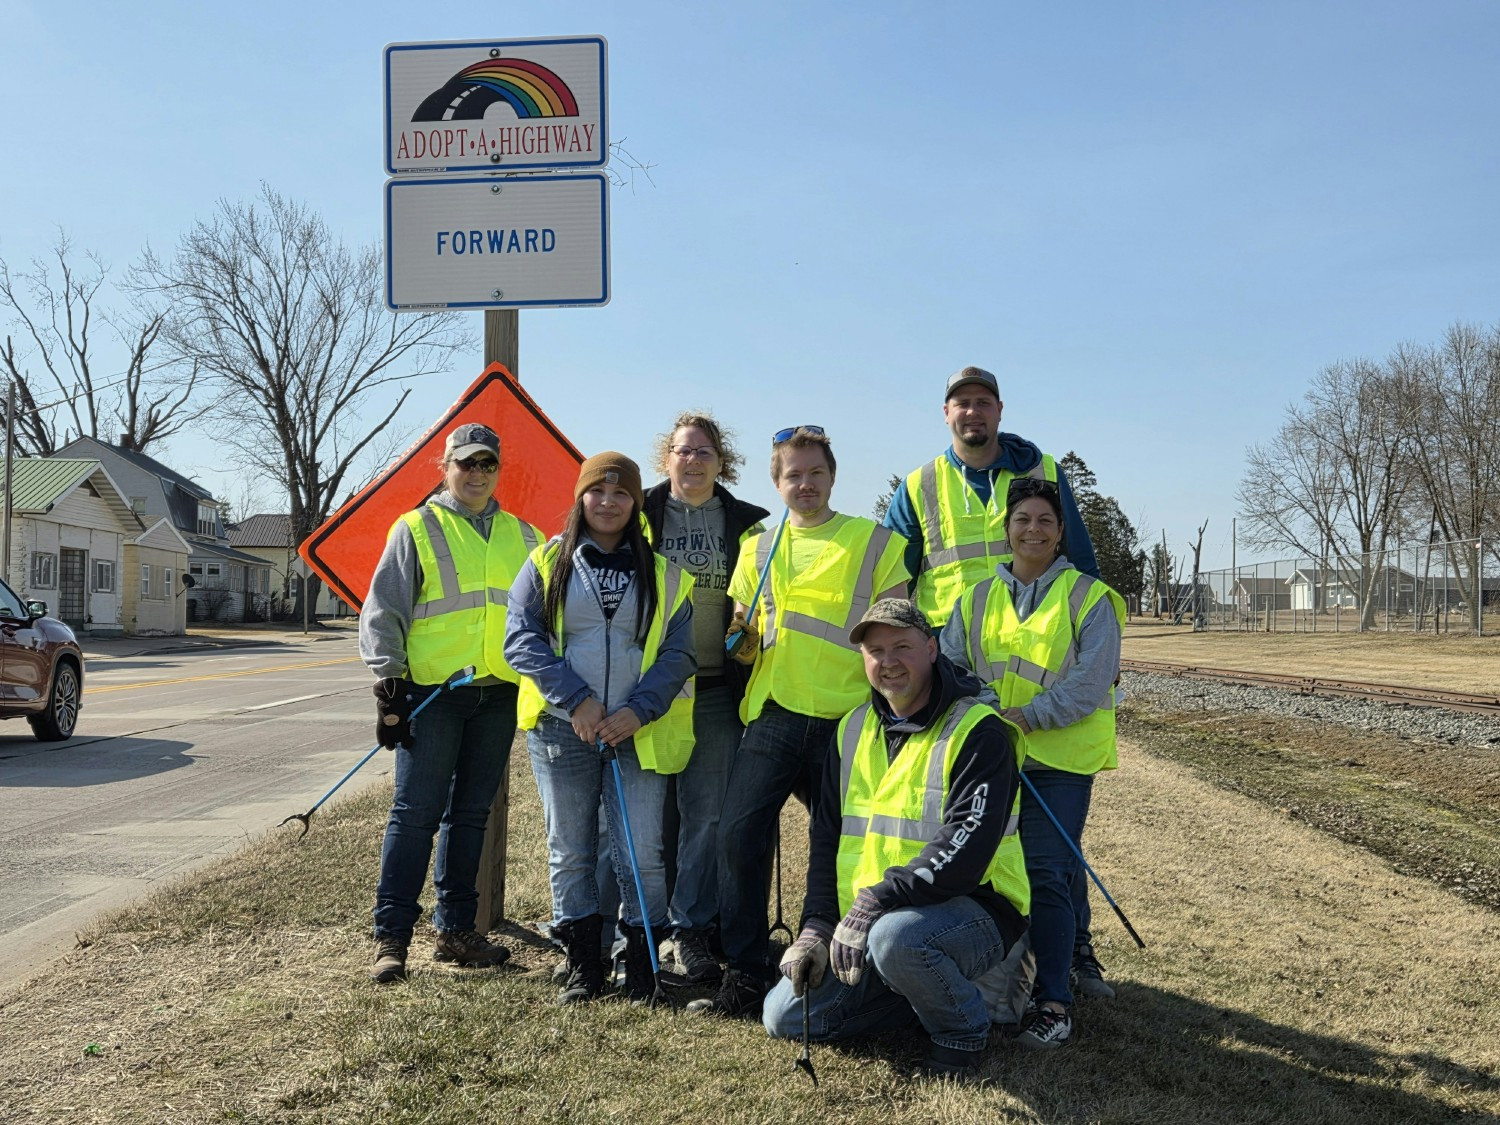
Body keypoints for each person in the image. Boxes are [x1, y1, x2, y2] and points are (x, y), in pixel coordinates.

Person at [689, 426, 910, 1018]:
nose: (805, 484)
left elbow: (897, 635)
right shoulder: (758, 545)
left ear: (833, 476)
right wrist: (740, 640)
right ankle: (744, 970)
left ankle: (839, 957)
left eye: (815, 473)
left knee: (837, 842)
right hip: (775, 712)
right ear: (776, 482)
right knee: (739, 835)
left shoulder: (874, 543)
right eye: (793, 475)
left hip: (849, 721)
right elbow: (744, 630)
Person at [763, 599, 1028, 1081]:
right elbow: (826, 839)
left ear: (931, 648)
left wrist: (874, 903)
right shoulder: (850, 730)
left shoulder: (979, 731)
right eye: (875, 650)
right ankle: (917, 995)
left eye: (902, 647)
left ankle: (963, 1027)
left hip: (976, 908)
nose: (888, 662)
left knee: (898, 939)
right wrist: (817, 928)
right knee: (781, 1016)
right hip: (872, 920)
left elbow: (963, 852)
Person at [504, 452, 697, 1005]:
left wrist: (638, 710)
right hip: (564, 730)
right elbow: (522, 641)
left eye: (621, 494)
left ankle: (642, 970)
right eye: (597, 492)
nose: (608, 503)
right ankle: (585, 966)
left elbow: (679, 654)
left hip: (638, 730)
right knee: (570, 848)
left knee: (643, 851)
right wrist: (578, 701)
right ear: (580, 498)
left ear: (637, 503)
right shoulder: (545, 563)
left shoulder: (666, 575)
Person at [940, 477, 1126, 1048]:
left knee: (1046, 872)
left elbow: (1089, 686)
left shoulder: (1092, 599)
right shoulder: (972, 599)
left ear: (1059, 530)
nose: (1034, 529)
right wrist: (983, 713)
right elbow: (950, 668)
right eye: (1023, 520)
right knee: (990, 868)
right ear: (1007, 530)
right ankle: (1001, 980)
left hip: (1059, 763)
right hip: (993, 760)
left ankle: (1053, 1002)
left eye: (1046, 520)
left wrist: (1021, 718)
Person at [360, 422, 543, 984]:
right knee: (415, 814)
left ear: (498, 470)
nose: (477, 473)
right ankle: (391, 938)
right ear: (446, 467)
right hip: (433, 696)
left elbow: (542, 618)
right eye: (466, 463)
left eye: (487, 463)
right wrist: (389, 688)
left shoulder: (527, 536)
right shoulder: (416, 527)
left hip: (497, 696)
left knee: (470, 816)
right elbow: (384, 609)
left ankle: (457, 931)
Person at [642, 412, 769, 983]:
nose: (691, 461)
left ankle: (689, 929)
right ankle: (637, 927)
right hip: (648, 692)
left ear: (723, 462)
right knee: (647, 820)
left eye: (703, 452)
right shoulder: (636, 513)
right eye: (681, 451)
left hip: (716, 691)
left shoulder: (748, 527)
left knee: (706, 817)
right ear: (665, 458)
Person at [883, 365, 1100, 627]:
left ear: (999, 410)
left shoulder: (1044, 472)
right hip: (949, 648)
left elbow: (1081, 561)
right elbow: (891, 582)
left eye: (983, 403)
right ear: (946, 413)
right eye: (962, 403)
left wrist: (1097, 635)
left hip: (1035, 635)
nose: (973, 412)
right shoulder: (917, 485)